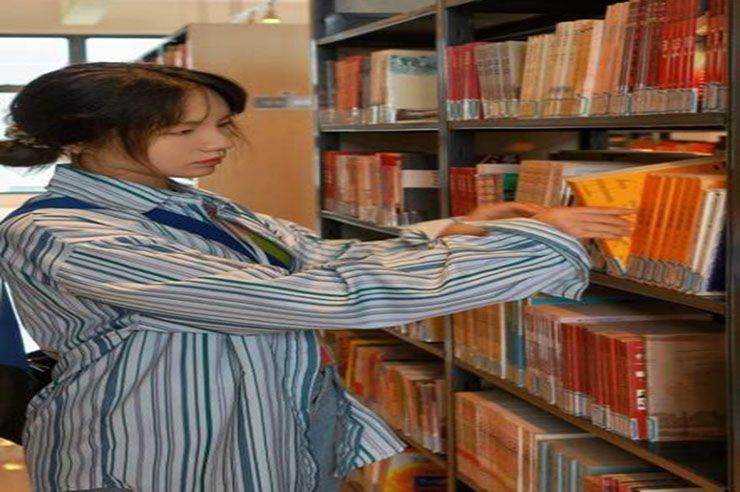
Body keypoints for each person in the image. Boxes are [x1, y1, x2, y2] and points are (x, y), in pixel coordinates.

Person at [0, 63, 631, 492]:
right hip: (154, 451)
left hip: (258, 437)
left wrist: (462, 230)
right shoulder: (62, 233)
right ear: (89, 138)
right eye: (185, 130)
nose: (219, 141)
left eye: (221, 123)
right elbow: (310, 295)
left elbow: (318, 258)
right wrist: (539, 245)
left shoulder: (195, 204)